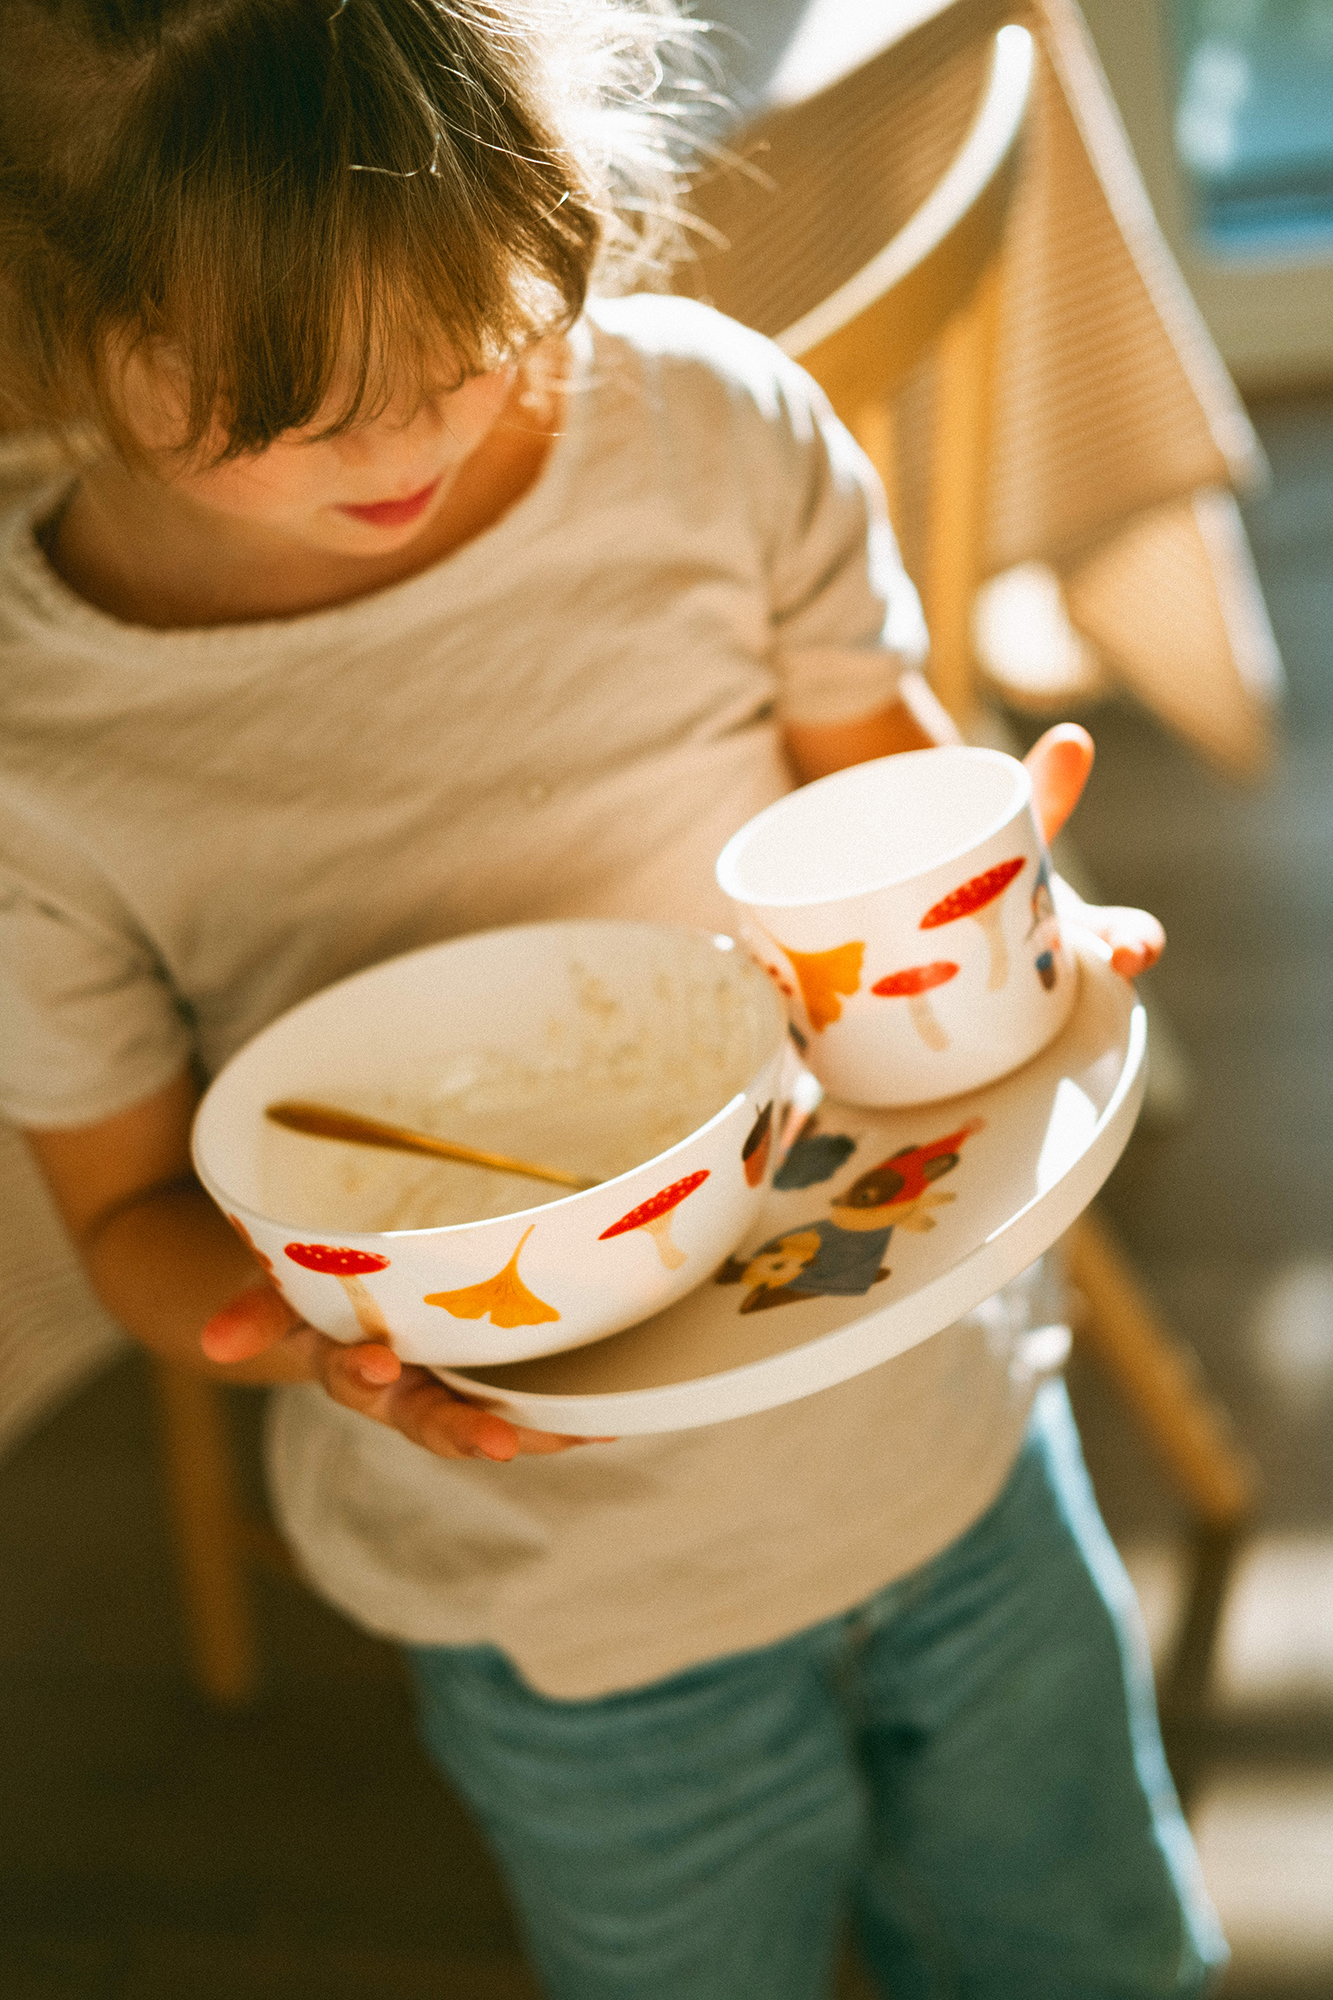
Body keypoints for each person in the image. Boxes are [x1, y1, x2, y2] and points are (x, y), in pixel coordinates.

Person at [0, 1, 1224, 1993]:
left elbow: (885, 780)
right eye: (280, 394)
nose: (399, 442)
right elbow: (133, 1222)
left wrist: (1006, 911)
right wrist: (300, 1340)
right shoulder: (42, 724)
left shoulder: (705, 426)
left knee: (1087, 1950)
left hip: (943, 1444)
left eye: (465, 342)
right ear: (51, 305)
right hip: (564, 1618)